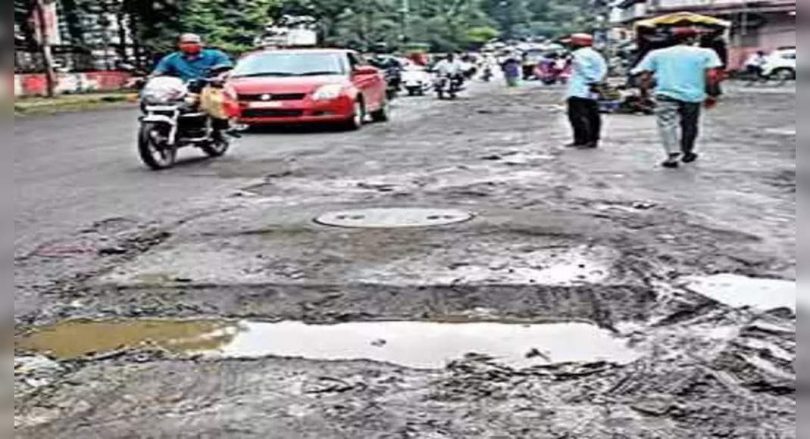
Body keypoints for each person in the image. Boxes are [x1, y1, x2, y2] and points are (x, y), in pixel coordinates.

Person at [632, 28, 724, 168]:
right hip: (693, 96)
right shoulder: (707, 53)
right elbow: (712, 76)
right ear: (691, 39)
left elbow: (644, 76)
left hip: (665, 94)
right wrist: (712, 94)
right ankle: (687, 151)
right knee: (690, 124)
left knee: (666, 124)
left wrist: (643, 95)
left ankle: (672, 154)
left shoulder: (657, 54)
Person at [566, 33, 608, 149]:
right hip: (591, 89)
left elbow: (584, 69)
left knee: (577, 116)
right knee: (592, 115)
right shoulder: (596, 54)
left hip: (579, 89)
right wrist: (597, 81)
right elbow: (603, 70)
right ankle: (592, 139)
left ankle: (582, 139)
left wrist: (592, 80)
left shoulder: (578, 55)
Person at [152, 33, 232, 82]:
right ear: (179, 45)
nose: (190, 45)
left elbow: (227, 70)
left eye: (194, 42)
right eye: (186, 43)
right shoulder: (170, 59)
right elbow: (158, 73)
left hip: (211, 88)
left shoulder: (216, 55)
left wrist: (220, 77)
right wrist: (148, 79)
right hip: (181, 90)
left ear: (201, 44)